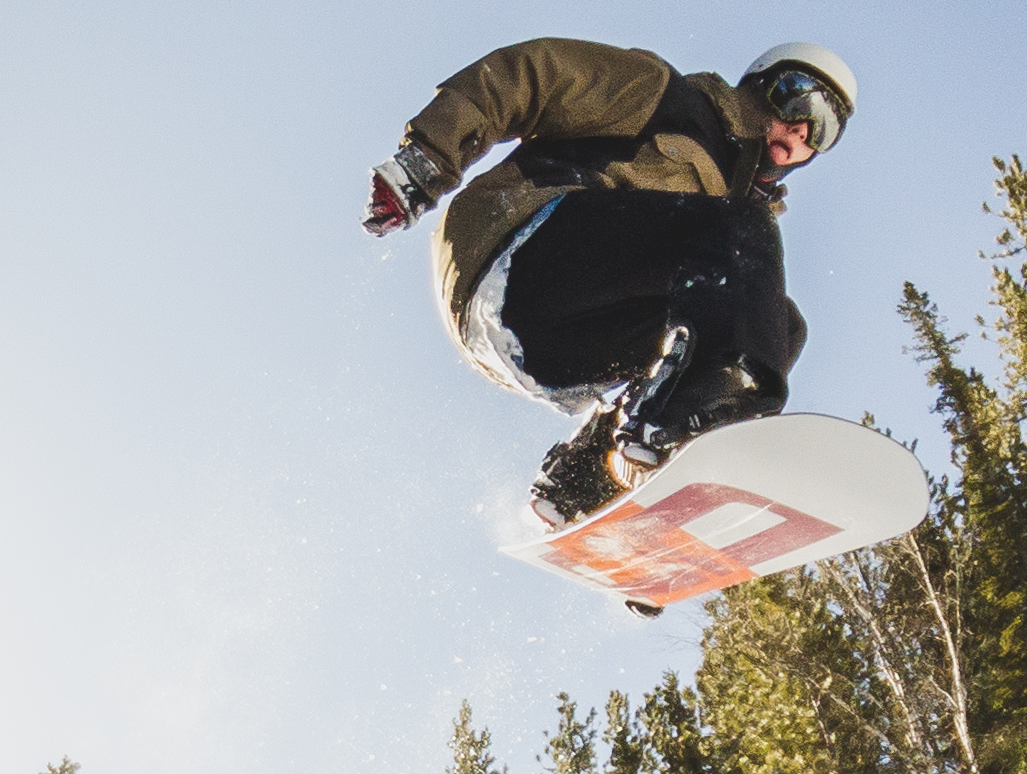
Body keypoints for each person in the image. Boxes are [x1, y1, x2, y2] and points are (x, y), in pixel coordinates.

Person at [360, 37, 856, 525]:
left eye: (824, 130)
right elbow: (537, 74)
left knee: (781, 325)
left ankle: (589, 486)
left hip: (556, 346)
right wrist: (429, 156)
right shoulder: (669, 99)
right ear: (759, 86)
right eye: (797, 96)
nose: (802, 128)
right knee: (739, 241)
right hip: (520, 257)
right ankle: (681, 423)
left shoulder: (731, 228)